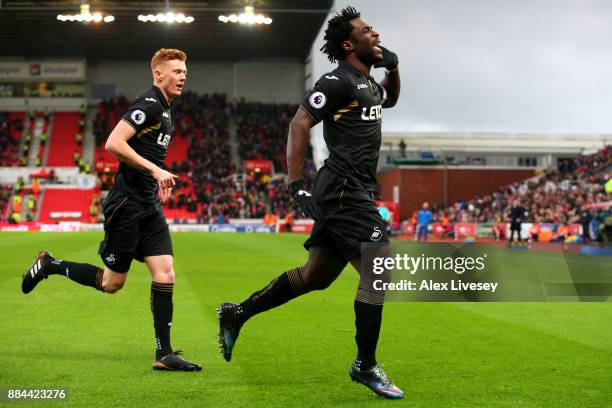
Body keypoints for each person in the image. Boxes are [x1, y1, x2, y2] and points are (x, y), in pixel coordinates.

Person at [217, 6, 403, 399]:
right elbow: (299, 122)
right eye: (368, 31)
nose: (376, 35)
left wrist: (395, 66)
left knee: (315, 276)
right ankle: (365, 364)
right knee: (379, 268)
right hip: (343, 189)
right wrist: (296, 183)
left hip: (353, 191)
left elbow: (391, 100)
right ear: (349, 43)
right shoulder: (336, 81)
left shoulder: (369, 83)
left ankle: (238, 312)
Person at [21, 48, 201, 372]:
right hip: (127, 206)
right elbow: (114, 143)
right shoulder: (148, 104)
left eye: (184, 71)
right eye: (175, 71)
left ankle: (164, 353)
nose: (182, 75)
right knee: (111, 283)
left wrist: (157, 179)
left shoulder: (165, 109)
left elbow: (148, 155)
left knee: (165, 273)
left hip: (148, 205)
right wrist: (157, 172)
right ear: (158, 74)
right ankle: (49, 264)